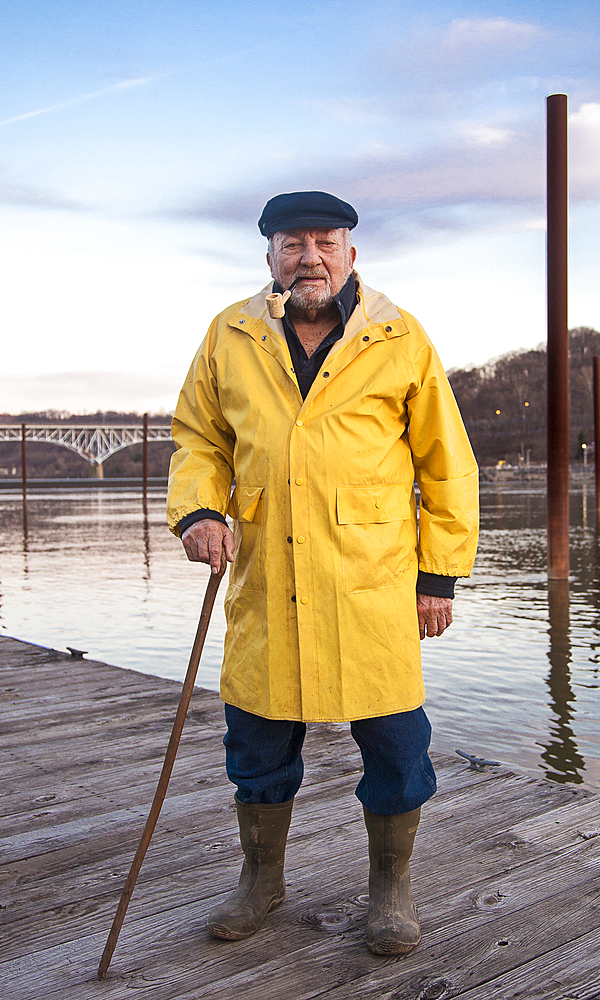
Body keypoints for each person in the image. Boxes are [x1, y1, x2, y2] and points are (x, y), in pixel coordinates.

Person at [166, 191, 478, 955]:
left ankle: (391, 891)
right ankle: (261, 880)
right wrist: (200, 511)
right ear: (269, 255)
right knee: (258, 748)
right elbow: (199, 439)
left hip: (372, 584)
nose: (309, 256)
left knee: (398, 749)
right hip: (267, 581)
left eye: (324, 242)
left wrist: (437, 577)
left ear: (351, 253)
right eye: (292, 242)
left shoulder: (399, 337)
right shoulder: (228, 334)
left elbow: (448, 463)